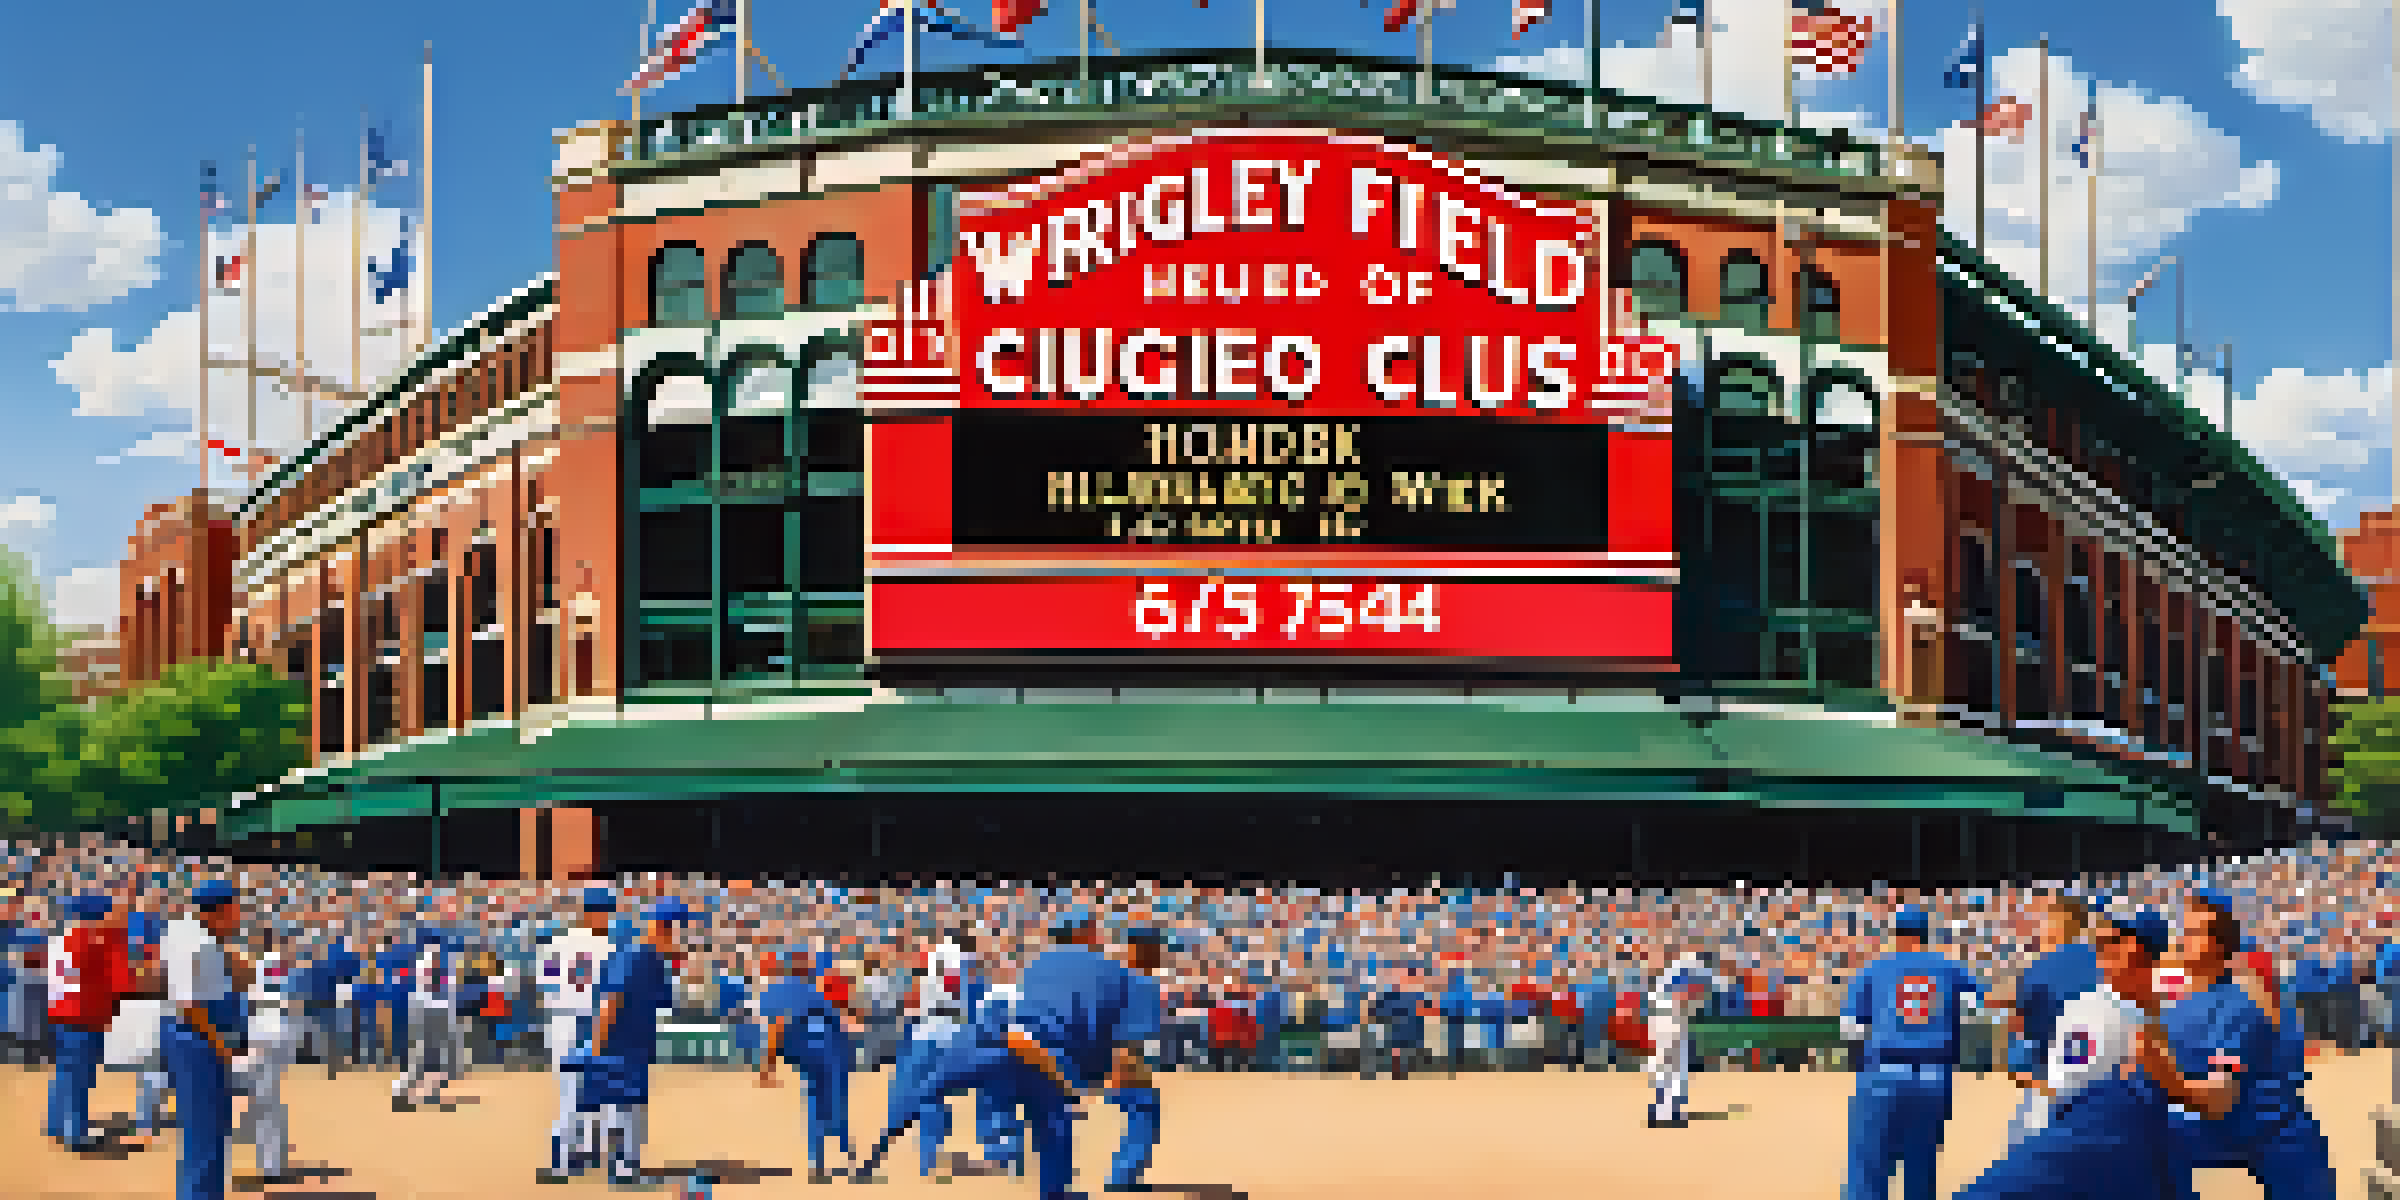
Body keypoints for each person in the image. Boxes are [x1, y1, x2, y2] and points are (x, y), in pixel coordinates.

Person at [865, 908, 1162, 1200]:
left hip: (991, 1038)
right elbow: (1125, 1055)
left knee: (929, 1089)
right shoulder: (1122, 975)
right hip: (1036, 1048)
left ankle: (875, 1155)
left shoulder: (1038, 963)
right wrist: (1085, 1085)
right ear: (1090, 934)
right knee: (1054, 1117)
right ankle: (1067, 1184)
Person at [1952, 904, 2242, 1200]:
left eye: (2114, 939)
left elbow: (2218, 1092)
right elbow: (2061, 1097)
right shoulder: (2089, 1011)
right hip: (2073, 1149)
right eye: (2101, 940)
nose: (2102, 948)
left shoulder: (2184, 1008)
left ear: (2143, 951)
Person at [2161, 890, 2335, 1200]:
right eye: (2182, 930)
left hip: (2275, 1148)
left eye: (2193, 932)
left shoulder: (2239, 1006)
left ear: (2218, 945)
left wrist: (2161, 1073)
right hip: (2224, 1139)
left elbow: (2220, 1097)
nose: (2182, 939)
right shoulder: (2176, 1008)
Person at [1839, 905, 1983, 1200]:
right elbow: (1977, 1014)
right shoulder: (1951, 969)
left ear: (1896, 934)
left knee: (1868, 1170)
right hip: (1934, 1076)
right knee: (1921, 1168)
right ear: (1924, 935)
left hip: (1883, 1073)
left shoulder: (1873, 969)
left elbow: (1850, 1029)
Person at [572, 898, 701, 1187]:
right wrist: (596, 1048)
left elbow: (665, 1004)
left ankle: (620, 1167)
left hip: (636, 1046)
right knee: (622, 1110)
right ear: (663, 929)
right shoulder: (634, 956)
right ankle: (621, 1172)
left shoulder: (655, 962)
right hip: (617, 1046)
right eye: (680, 930)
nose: (684, 938)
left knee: (627, 1109)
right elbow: (609, 1004)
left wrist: (679, 969)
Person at [163, 880, 249, 1200]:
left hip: (197, 1037)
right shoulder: (198, 944)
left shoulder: (198, 938)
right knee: (204, 1130)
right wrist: (221, 1044)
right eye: (235, 909)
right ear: (221, 911)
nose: (240, 916)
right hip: (197, 1040)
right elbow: (190, 1007)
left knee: (212, 1129)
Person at [2003, 893, 2101, 1147]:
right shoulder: (2108, 963)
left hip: (2051, 1083)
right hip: (2105, 1086)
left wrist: (2023, 1072)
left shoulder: (2039, 969)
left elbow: (2021, 1034)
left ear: (2058, 921)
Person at [758, 947, 856, 1181]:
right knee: (829, 1093)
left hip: (797, 1050)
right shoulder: (810, 991)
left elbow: (773, 1030)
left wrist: (768, 1066)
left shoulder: (773, 991)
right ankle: (835, 1146)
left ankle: (820, 1158)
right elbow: (837, 1023)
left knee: (816, 1094)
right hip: (819, 1050)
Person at [539, 890, 617, 1182]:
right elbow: (612, 992)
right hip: (590, 1022)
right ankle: (580, 1154)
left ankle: (571, 1157)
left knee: (570, 1092)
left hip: (561, 1023)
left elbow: (545, 987)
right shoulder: (608, 947)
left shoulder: (555, 944)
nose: (608, 917)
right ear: (592, 913)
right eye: (605, 912)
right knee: (592, 1092)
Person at [46, 892, 132, 1152]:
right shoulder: (100, 943)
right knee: (80, 1077)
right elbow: (122, 983)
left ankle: (58, 1123)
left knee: (65, 1072)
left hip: (60, 1014)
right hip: (86, 1018)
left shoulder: (61, 939)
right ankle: (76, 1134)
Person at [888, 932, 975, 1178]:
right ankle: (931, 1154)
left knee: (926, 1095)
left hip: (928, 1033)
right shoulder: (961, 962)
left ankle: (928, 1156)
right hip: (951, 1034)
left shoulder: (933, 961)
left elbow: (912, 1003)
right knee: (936, 1094)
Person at [1105, 927, 1168, 1192]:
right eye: (1156, 949)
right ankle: (1123, 1176)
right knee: (1143, 1114)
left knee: (1140, 1115)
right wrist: (1123, 1066)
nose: (1159, 955)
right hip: (1130, 1060)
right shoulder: (1142, 984)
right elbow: (1130, 1034)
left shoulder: (1118, 979)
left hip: (1119, 1058)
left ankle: (1125, 1174)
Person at [232, 950, 302, 1184]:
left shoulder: (258, 976)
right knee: (266, 1103)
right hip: (267, 1040)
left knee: (262, 1103)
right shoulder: (278, 974)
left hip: (261, 1041)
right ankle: (270, 1163)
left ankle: (270, 1164)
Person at [394, 927, 467, 1110]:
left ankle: (418, 1091)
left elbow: (447, 992)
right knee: (428, 1054)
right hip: (430, 1011)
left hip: (431, 1010)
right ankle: (413, 1092)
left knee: (429, 1054)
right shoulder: (432, 963)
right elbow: (438, 990)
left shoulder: (437, 963)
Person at [1645, 951, 1714, 1128]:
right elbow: (1685, 994)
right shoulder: (1691, 969)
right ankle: (1670, 1111)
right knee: (1673, 1066)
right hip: (1671, 1018)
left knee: (1667, 1066)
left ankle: (1664, 1110)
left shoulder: (1679, 968)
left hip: (1665, 1017)